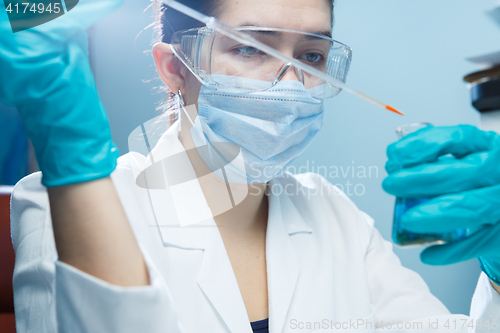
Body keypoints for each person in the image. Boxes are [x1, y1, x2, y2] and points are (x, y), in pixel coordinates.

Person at [0, 0, 499, 332]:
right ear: (174, 67)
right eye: (249, 48)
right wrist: (66, 140)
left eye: (311, 55)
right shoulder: (65, 202)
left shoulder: (333, 213)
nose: (289, 84)